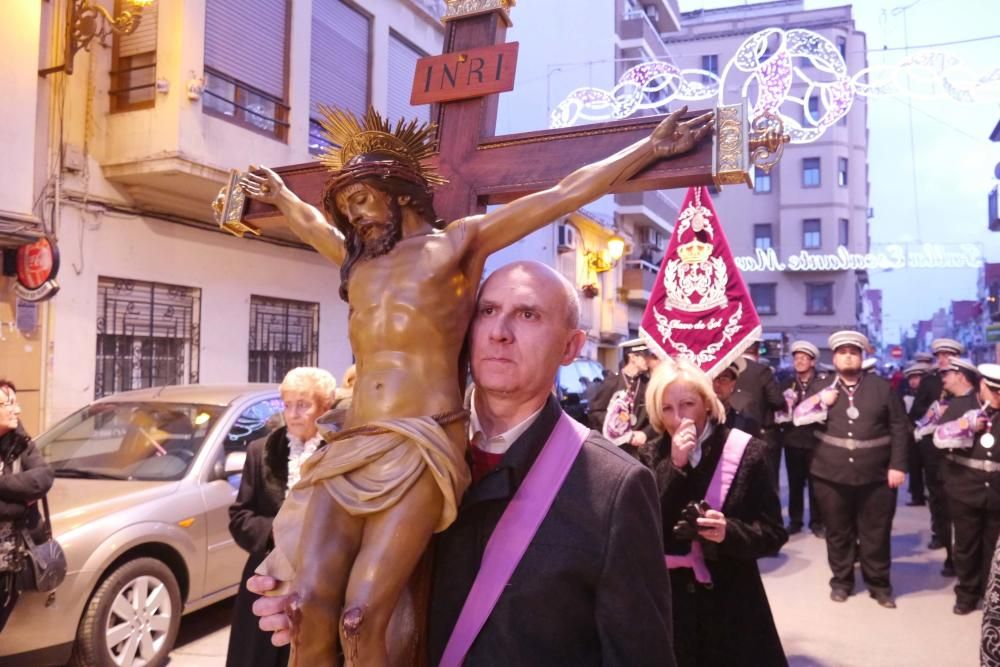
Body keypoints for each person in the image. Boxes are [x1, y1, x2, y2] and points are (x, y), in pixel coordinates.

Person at [231, 105, 710, 662]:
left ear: (398, 192)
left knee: (360, 617)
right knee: (307, 609)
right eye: (490, 312)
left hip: (418, 442)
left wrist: (647, 149)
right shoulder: (359, 265)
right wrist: (284, 197)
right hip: (353, 443)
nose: (354, 218)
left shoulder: (454, 247)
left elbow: (563, 192)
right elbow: (312, 225)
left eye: (527, 316)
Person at [248, 261, 675, 665]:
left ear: (570, 346)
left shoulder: (614, 487)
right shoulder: (388, 452)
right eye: (487, 311)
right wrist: (305, 610)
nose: (500, 332)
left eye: (528, 315)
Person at [641, 358, 787, 666]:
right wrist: (674, 467)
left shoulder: (749, 452)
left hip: (731, 600)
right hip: (669, 602)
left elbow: (773, 534)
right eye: (666, 408)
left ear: (707, 403)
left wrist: (728, 532)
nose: (677, 417)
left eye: (687, 404)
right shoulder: (649, 455)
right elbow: (639, 527)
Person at [226, 368, 337, 667]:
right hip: (266, 577)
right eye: (287, 404)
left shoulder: (340, 454)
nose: (293, 413)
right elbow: (240, 517)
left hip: (322, 579)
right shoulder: (260, 451)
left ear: (325, 408)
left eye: (303, 405)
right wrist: (277, 534)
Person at [793, 330, 908, 608]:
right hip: (830, 474)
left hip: (877, 474)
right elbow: (797, 416)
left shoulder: (882, 387)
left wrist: (898, 465)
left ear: (861, 356)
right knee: (838, 531)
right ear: (834, 358)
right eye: (842, 352)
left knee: (876, 532)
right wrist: (821, 401)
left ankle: (879, 585)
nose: (847, 357)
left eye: (853, 352)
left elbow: (899, 427)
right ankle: (842, 581)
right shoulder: (822, 387)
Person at [935, 363, 1000, 615]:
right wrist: (965, 426)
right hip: (965, 488)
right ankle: (966, 593)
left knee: (993, 547)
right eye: (992, 390)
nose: (996, 397)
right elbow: (938, 438)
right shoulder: (962, 406)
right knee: (966, 545)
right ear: (982, 385)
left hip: (997, 492)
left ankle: (989, 594)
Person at [0, 380, 54, 633]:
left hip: (12, 560)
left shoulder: (21, 444)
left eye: (14, 402)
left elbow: (43, 478)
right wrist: (19, 502)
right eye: (7, 404)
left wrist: (1, 484)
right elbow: (16, 506)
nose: (17, 409)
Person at [927, 358, 980, 580]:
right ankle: (953, 558)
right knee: (947, 520)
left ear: (960, 376)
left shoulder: (974, 403)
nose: (943, 379)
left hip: (964, 476)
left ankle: (962, 566)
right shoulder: (952, 400)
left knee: (964, 527)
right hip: (946, 472)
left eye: (947, 374)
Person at [777, 340, 827, 537]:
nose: (799, 362)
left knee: (816, 483)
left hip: (816, 441)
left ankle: (817, 522)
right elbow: (778, 409)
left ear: (812, 362)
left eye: (804, 358)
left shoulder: (822, 383)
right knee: (795, 483)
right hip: (793, 440)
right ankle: (795, 521)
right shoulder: (786, 383)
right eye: (796, 358)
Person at [908, 340, 964, 506]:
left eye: (946, 355)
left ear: (957, 357)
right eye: (939, 356)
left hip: (960, 441)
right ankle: (939, 530)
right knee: (936, 489)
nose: (942, 359)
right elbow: (916, 411)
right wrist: (933, 410)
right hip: (933, 442)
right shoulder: (929, 381)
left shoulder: (968, 379)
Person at [589, 338, 658, 456]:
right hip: (616, 450)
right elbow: (595, 412)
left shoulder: (648, 384)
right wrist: (618, 429)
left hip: (640, 451)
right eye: (645, 355)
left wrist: (645, 433)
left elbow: (657, 416)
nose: (648, 359)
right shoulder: (612, 382)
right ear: (632, 357)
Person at [731, 342, 785, 484]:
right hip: (761, 434)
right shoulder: (762, 370)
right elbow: (777, 400)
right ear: (757, 352)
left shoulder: (729, 369)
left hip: (733, 432)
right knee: (767, 481)